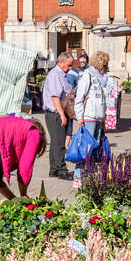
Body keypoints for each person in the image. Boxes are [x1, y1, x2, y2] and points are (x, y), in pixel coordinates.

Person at [70, 51, 110, 185]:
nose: (107, 67)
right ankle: (78, 176)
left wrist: (103, 118)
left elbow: (102, 99)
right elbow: (79, 97)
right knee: (85, 148)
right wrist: (80, 117)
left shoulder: (102, 78)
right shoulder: (88, 75)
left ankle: (89, 174)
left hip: (98, 117)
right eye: (105, 64)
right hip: (89, 116)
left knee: (94, 148)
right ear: (100, 64)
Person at [42, 52, 75, 180]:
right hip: (55, 113)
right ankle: (62, 170)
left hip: (56, 112)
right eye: (68, 65)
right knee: (60, 142)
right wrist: (62, 115)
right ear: (60, 63)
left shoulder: (61, 74)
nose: (70, 68)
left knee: (55, 142)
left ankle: (54, 169)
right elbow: (55, 97)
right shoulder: (55, 75)